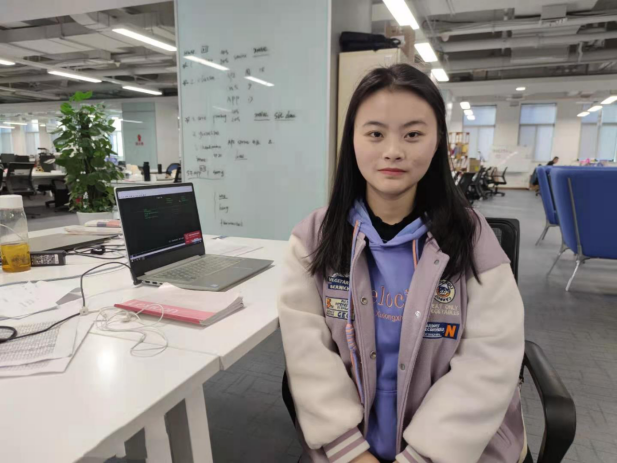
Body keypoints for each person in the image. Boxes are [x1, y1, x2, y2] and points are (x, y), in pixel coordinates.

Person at [278, 64, 526, 463]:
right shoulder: (313, 238)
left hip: (453, 450)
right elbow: (307, 355)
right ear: (352, 140)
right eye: (375, 134)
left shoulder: (473, 238)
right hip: (348, 448)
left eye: (413, 134)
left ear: (437, 141)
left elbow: (490, 358)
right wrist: (350, 452)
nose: (393, 151)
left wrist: (423, 457)